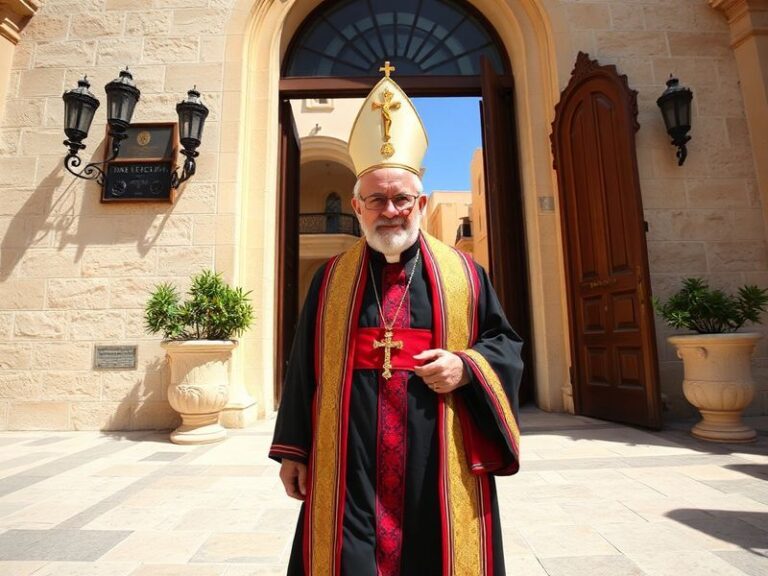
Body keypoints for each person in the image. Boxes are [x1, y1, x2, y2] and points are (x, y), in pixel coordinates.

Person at [270, 63, 523, 576]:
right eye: (377, 200)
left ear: (422, 203)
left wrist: (466, 367)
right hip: (348, 458)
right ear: (358, 207)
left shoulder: (464, 275)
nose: (391, 211)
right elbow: (304, 370)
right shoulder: (330, 279)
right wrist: (294, 449)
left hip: (437, 453)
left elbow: (505, 343)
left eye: (402, 199)